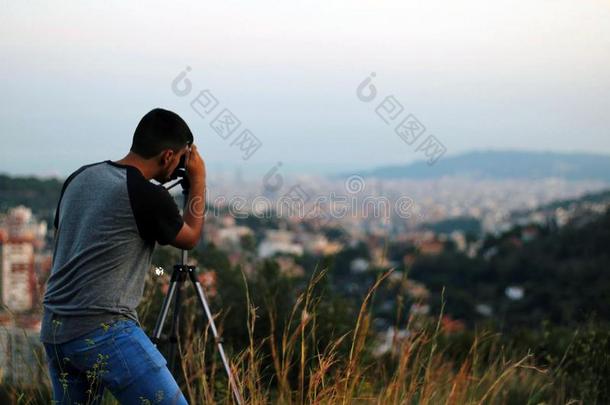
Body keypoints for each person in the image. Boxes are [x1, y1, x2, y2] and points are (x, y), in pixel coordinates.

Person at [40, 108, 205, 404]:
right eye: (181, 158)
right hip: (104, 329)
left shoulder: (80, 177)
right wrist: (199, 179)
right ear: (168, 156)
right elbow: (190, 236)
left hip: (55, 330)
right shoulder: (145, 195)